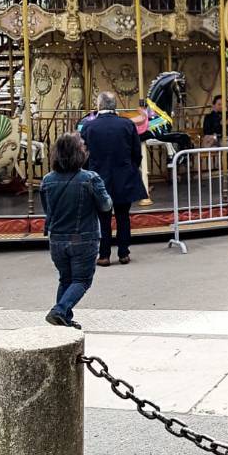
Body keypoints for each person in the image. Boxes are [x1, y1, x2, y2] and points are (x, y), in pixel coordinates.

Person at [41, 131, 112, 328]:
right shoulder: (90, 178)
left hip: (57, 239)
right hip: (84, 238)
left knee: (65, 279)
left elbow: (48, 210)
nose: (85, 149)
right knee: (81, 280)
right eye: (82, 147)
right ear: (77, 153)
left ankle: (64, 320)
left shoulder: (47, 180)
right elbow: (106, 205)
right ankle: (60, 310)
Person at [82, 91, 146, 266]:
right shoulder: (127, 125)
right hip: (123, 176)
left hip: (98, 177)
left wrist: (88, 172)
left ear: (99, 105)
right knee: (123, 216)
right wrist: (131, 167)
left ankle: (104, 255)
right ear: (114, 106)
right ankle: (124, 253)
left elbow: (85, 155)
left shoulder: (89, 127)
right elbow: (136, 153)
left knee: (103, 218)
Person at [202, 94, 228, 165]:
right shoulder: (209, 117)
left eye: (223, 104)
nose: (221, 106)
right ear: (213, 105)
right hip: (217, 139)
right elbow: (206, 131)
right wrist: (220, 124)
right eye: (219, 104)